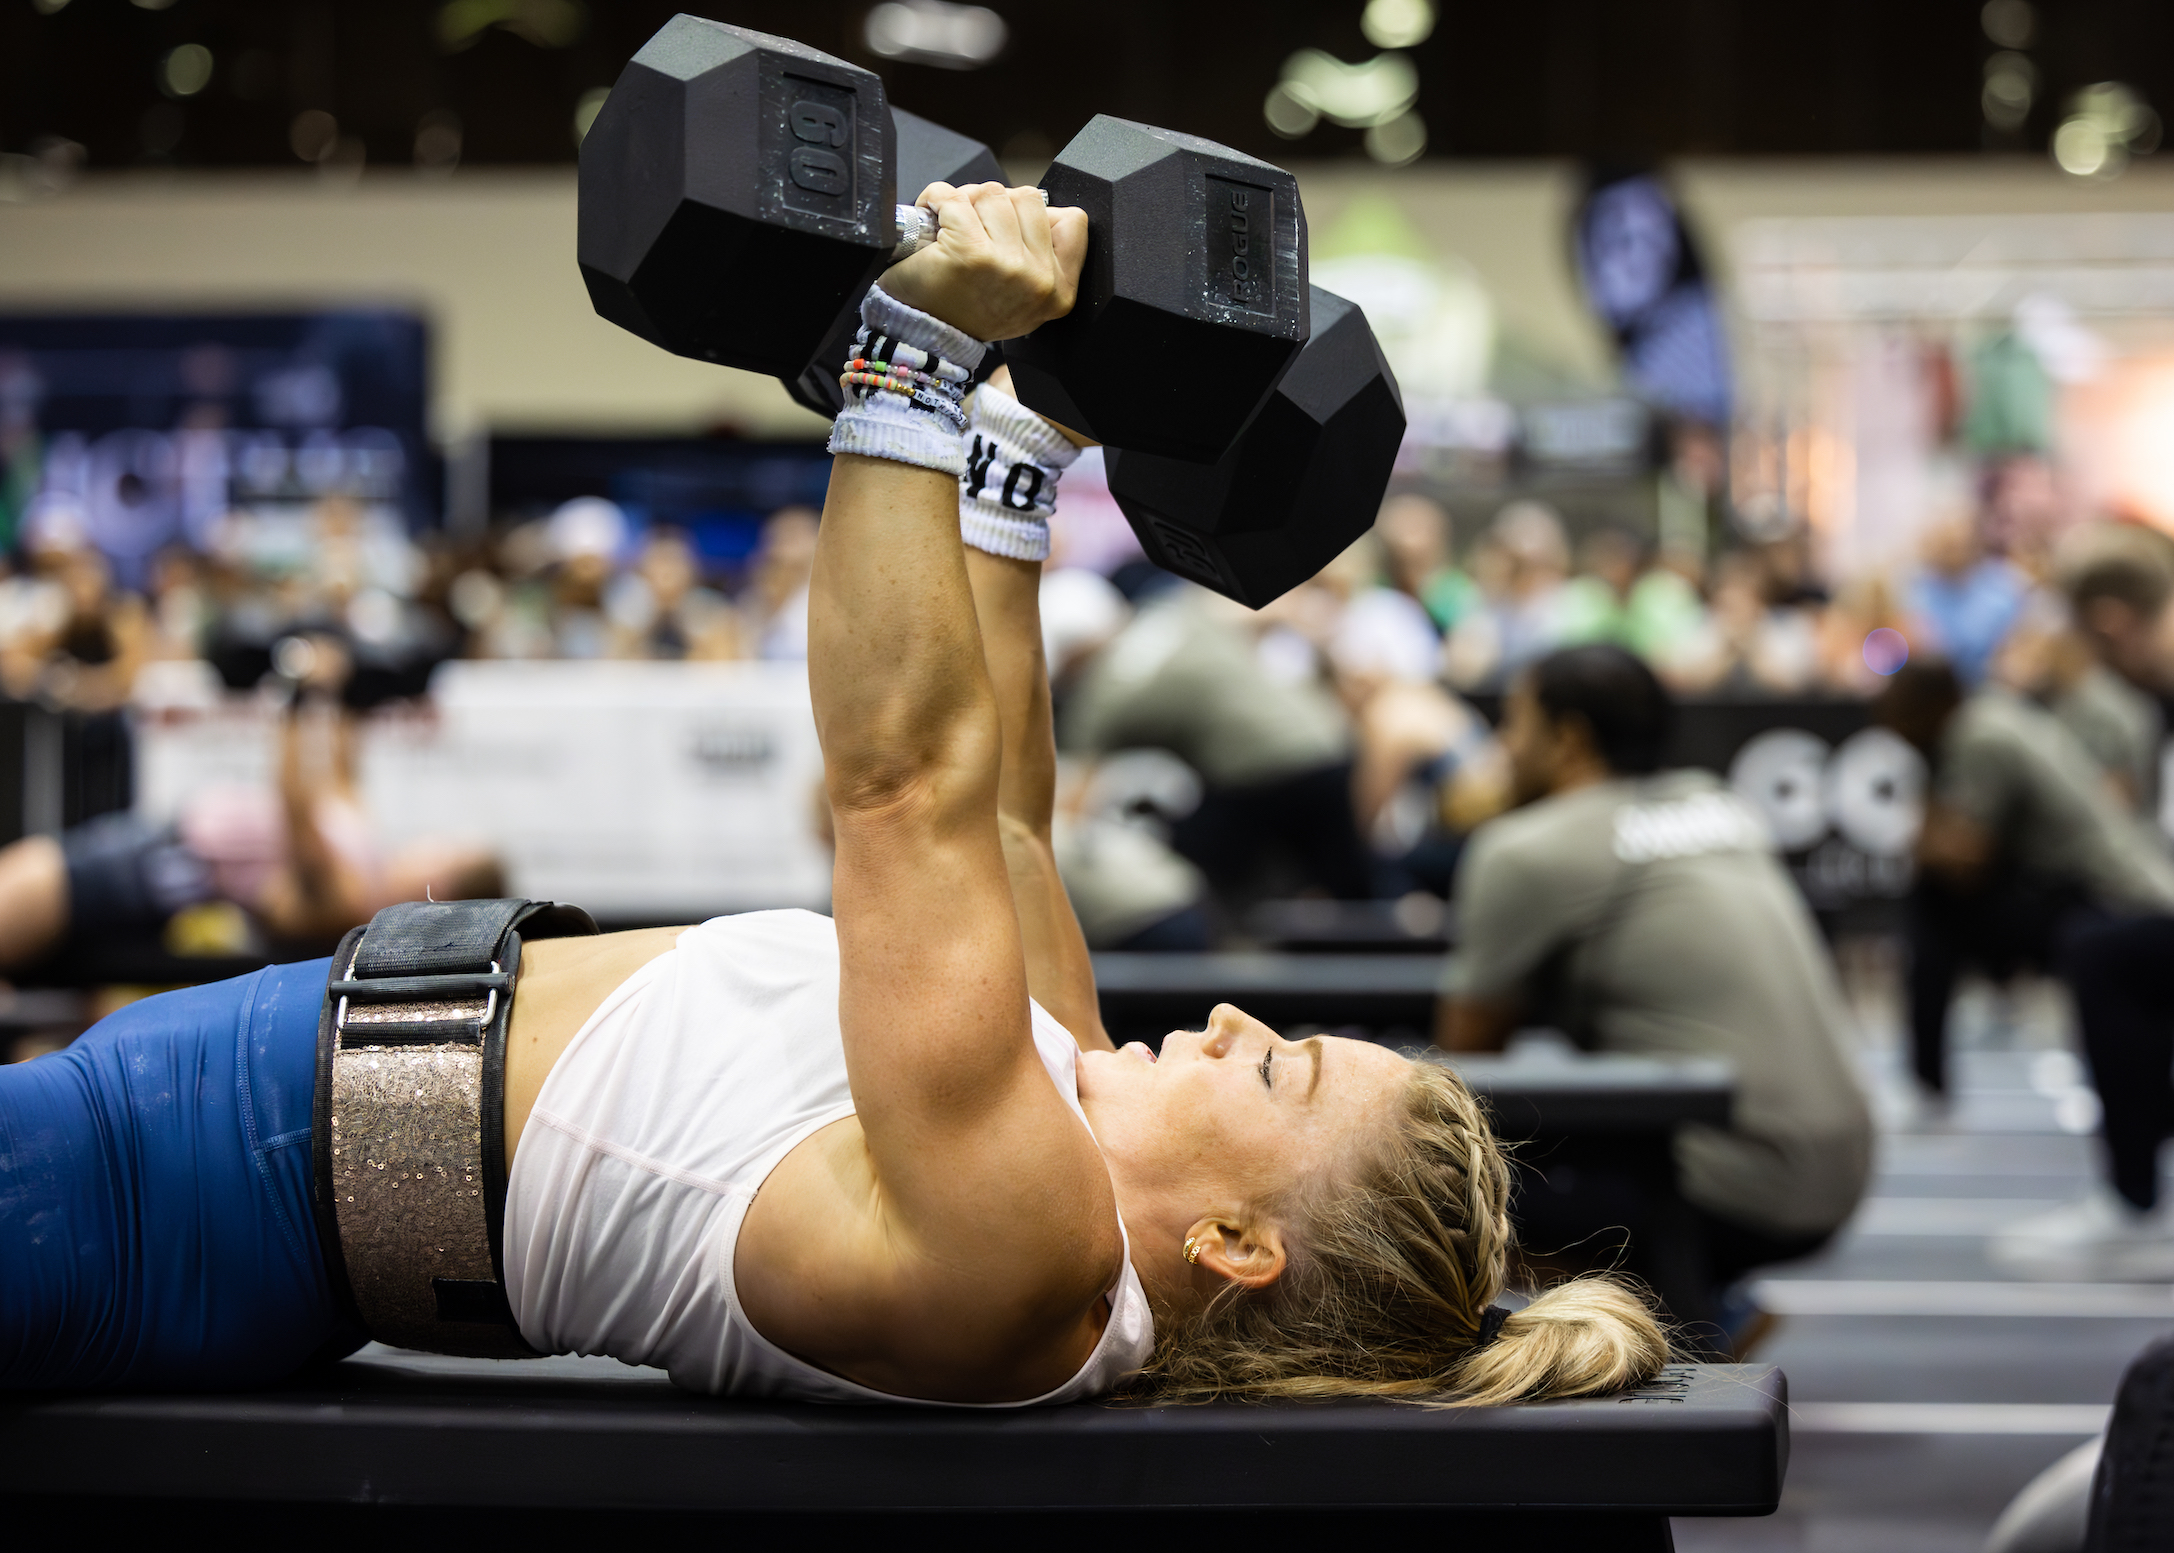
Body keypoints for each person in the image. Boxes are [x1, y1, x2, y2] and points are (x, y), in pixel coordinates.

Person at [0, 183, 1664, 1403]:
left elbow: (899, 793)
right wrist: (1020, 454)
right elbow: (1006, 805)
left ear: (1236, 1237)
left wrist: (913, 358)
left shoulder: (1027, 1247)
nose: (1231, 1016)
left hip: (202, 1179)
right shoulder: (1055, 1133)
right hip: (256, 1134)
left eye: (1278, 1067)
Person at [1435, 644, 1872, 1345]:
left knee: (1427, 1193)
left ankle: (1669, 1319)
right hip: (1844, 1162)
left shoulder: (1523, 848)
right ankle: (1703, 1305)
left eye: (1514, 724)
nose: (1503, 746)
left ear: (1569, 737)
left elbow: (1461, 1068)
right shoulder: (1716, 799)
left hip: (1729, 1185)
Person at [1874, 659, 2174, 1277]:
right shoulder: (1980, 724)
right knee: (1941, 913)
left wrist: (1920, 836)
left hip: (2122, 904)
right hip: (2081, 897)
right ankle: (1929, 1081)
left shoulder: (1979, 737)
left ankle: (2135, 1202)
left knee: (2085, 958)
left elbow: (1959, 854)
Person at [0, 631, 505, 972]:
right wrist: (339, 690)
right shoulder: (371, 854)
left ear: (441, 888)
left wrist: (296, 698)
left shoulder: (352, 902)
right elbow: (342, 776)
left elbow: (297, 808)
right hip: (168, 836)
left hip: (161, 865)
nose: (434, 841)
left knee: (28, 880)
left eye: (450, 851)